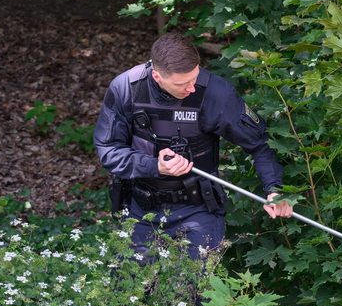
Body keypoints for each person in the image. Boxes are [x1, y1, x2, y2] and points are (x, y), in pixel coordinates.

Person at [94, 33, 293, 260]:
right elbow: (108, 149)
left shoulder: (216, 94)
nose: (192, 88)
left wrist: (274, 190)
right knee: (130, 282)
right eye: (181, 84)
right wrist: (154, 165)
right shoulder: (126, 88)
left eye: (194, 78)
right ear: (157, 76)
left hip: (198, 208)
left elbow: (260, 144)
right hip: (141, 207)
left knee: (197, 283)